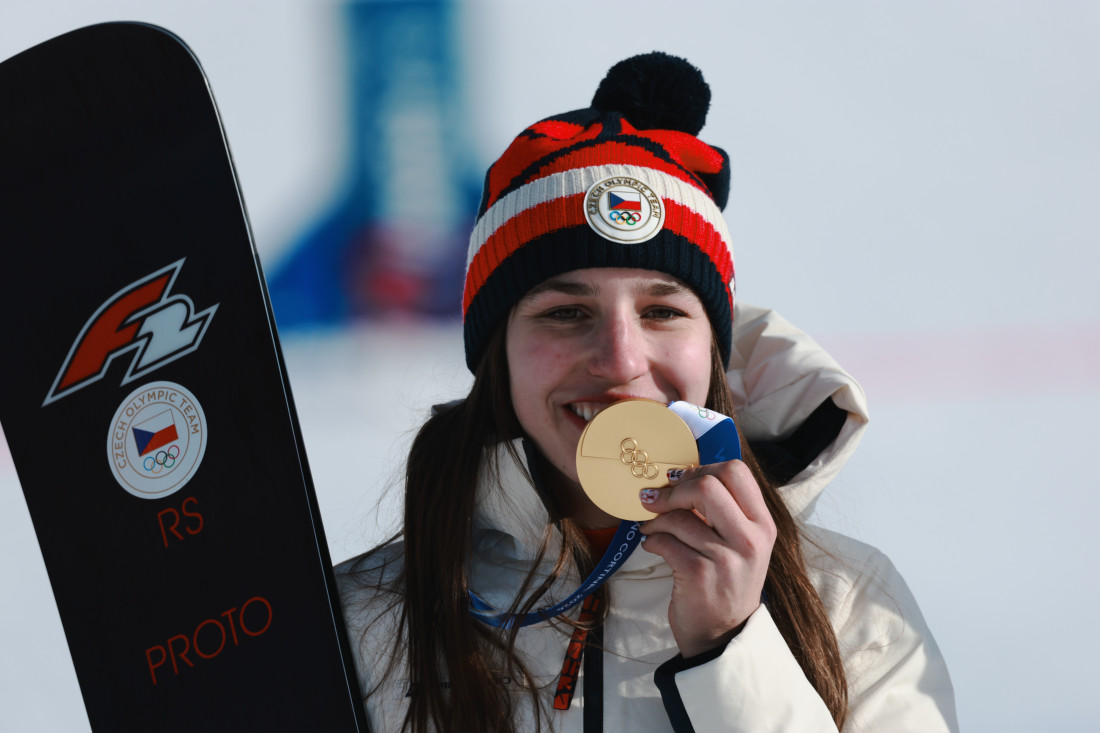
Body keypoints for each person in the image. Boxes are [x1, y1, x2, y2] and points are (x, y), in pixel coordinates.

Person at [336, 52, 959, 732]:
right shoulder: (353, 621)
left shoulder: (852, 608)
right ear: (498, 354)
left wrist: (731, 650)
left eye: (662, 311)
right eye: (565, 312)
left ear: (714, 347)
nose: (621, 359)